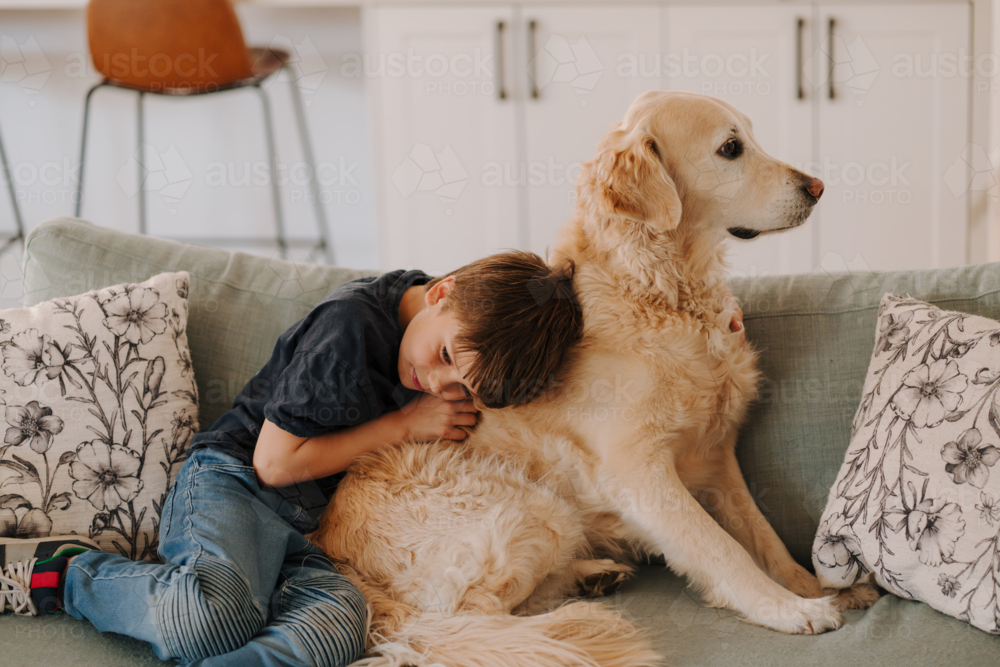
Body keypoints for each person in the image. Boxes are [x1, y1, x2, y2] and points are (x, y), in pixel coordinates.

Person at [0, 250, 584, 667]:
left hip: (305, 532)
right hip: (231, 484)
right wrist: (401, 426)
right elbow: (273, 465)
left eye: (462, 382)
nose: (436, 381)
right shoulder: (352, 328)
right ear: (440, 291)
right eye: (445, 354)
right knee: (211, 617)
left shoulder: (454, 325)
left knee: (337, 631)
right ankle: (70, 573)